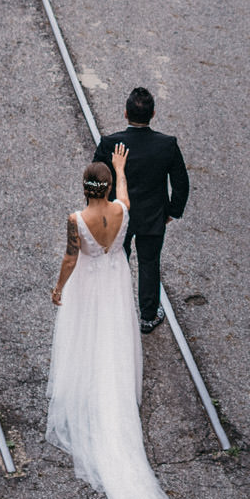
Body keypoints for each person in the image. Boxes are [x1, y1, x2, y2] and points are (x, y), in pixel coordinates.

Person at [47, 145, 170, 499]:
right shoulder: (120, 211)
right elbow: (126, 197)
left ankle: (86, 387)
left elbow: (70, 259)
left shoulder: (76, 219)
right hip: (115, 280)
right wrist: (120, 168)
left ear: (85, 189)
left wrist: (59, 288)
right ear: (107, 187)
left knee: (86, 334)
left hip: (89, 283)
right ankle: (112, 386)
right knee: (114, 335)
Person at [93, 87, 189, 333]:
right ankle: (148, 316)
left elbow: (96, 179)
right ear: (153, 113)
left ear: (125, 113)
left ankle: (114, 311)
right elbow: (180, 183)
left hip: (117, 216)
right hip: (152, 217)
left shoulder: (110, 143)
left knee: (116, 261)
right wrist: (172, 211)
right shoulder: (167, 145)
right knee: (149, 263)